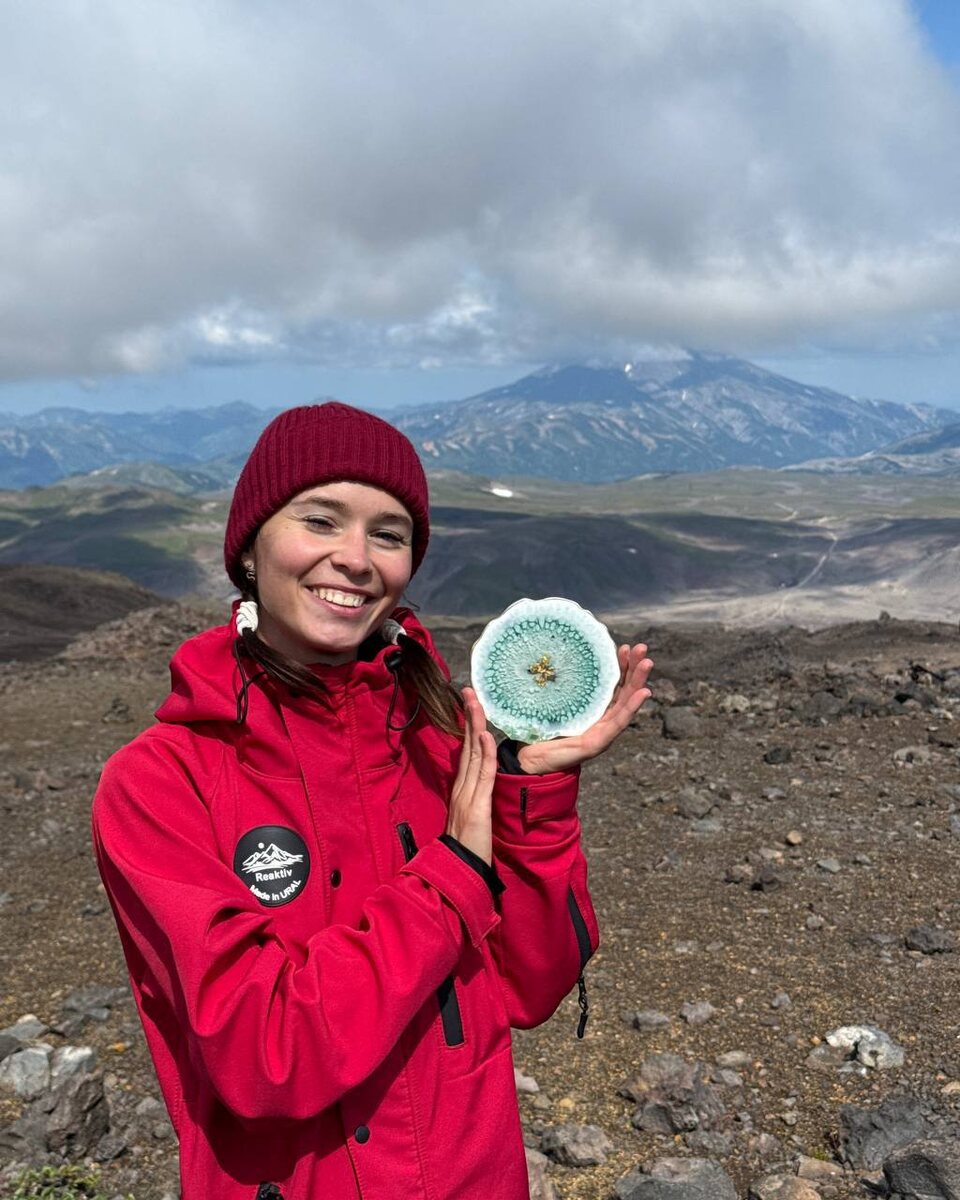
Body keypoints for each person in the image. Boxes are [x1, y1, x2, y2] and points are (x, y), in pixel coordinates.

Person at [92, 402, 653, 1200]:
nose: (355, 559)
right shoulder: (159, 783)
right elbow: (265, 1058)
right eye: (320, 520)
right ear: (249, 548)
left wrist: (531, 794)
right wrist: (453, 871)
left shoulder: (438, 739)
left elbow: (530, 988)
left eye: (388, 534)